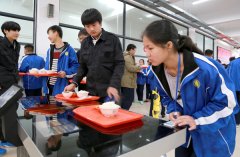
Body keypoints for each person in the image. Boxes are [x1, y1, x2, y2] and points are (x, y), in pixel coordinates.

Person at [142, 20, 239, 157]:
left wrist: (196, 119)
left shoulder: (206, 68)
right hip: (184, 136)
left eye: (150, 48)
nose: (147, 53)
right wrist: (174, 110)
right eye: (145, 48)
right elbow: (166, 98)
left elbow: (227, 104)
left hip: (213, 138)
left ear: (169, 45)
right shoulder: (156, 72)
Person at [64, 8, 124, 103]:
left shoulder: (113, 40)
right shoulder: (85, 43)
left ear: (100, 23)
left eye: (94, 25)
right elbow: (82, 67)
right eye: (88, 26)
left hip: (109, 92)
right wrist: (74, 83)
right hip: (91, 92)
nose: (91, 29)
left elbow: (119, 64)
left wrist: (114, 85)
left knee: (109, 116)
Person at [0, 21, 22, 153]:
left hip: (12, 82)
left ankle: (8, 139)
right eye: (14, 30)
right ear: (5, 31)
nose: (17, 33)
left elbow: (14, 64)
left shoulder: (17, 45)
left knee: (10, 110)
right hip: (1, 81)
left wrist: (17, 78)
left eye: (18, 30)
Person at [43, 25, 79, 96]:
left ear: (55, 33)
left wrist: (65, 72)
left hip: (62, 87)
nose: (48, 37)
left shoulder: (70, 50)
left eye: (49, 34)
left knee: (61, 107)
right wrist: (41, 73)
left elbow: (76, 67)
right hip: (49, 87)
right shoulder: (50, 50)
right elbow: (47, 67)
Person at [121, 44, 141, 110]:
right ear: (131, 50)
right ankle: (124, 112)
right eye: (134, 50)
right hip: (127, 82)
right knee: (128, 99)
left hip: (129, 81)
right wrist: (139, 67)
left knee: (126, 98)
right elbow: (130, 68)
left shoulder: (130, 57)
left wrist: (136, 66)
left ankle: (123, 111)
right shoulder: (127, 57)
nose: (135, 52)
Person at [227, 58, 240, 126]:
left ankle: (236, 121)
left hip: (234, 87)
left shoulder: (232, 63)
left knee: (235, 104)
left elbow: (227, 74)